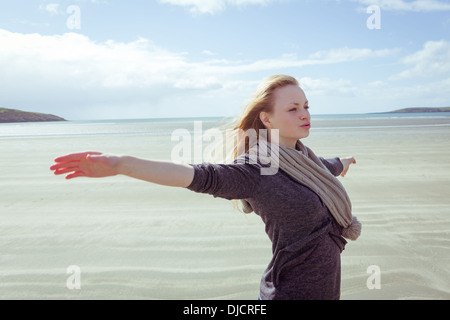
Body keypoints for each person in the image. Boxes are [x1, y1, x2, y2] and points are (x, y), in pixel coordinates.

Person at [50, 75, 360, 300]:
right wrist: (122, 164)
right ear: (266, 118)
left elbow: (327, 166)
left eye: (306, 106)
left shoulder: (306, 161)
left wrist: (344, 161)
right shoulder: (254, 171)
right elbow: (196, 175)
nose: (305, 114)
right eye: (293, 108)